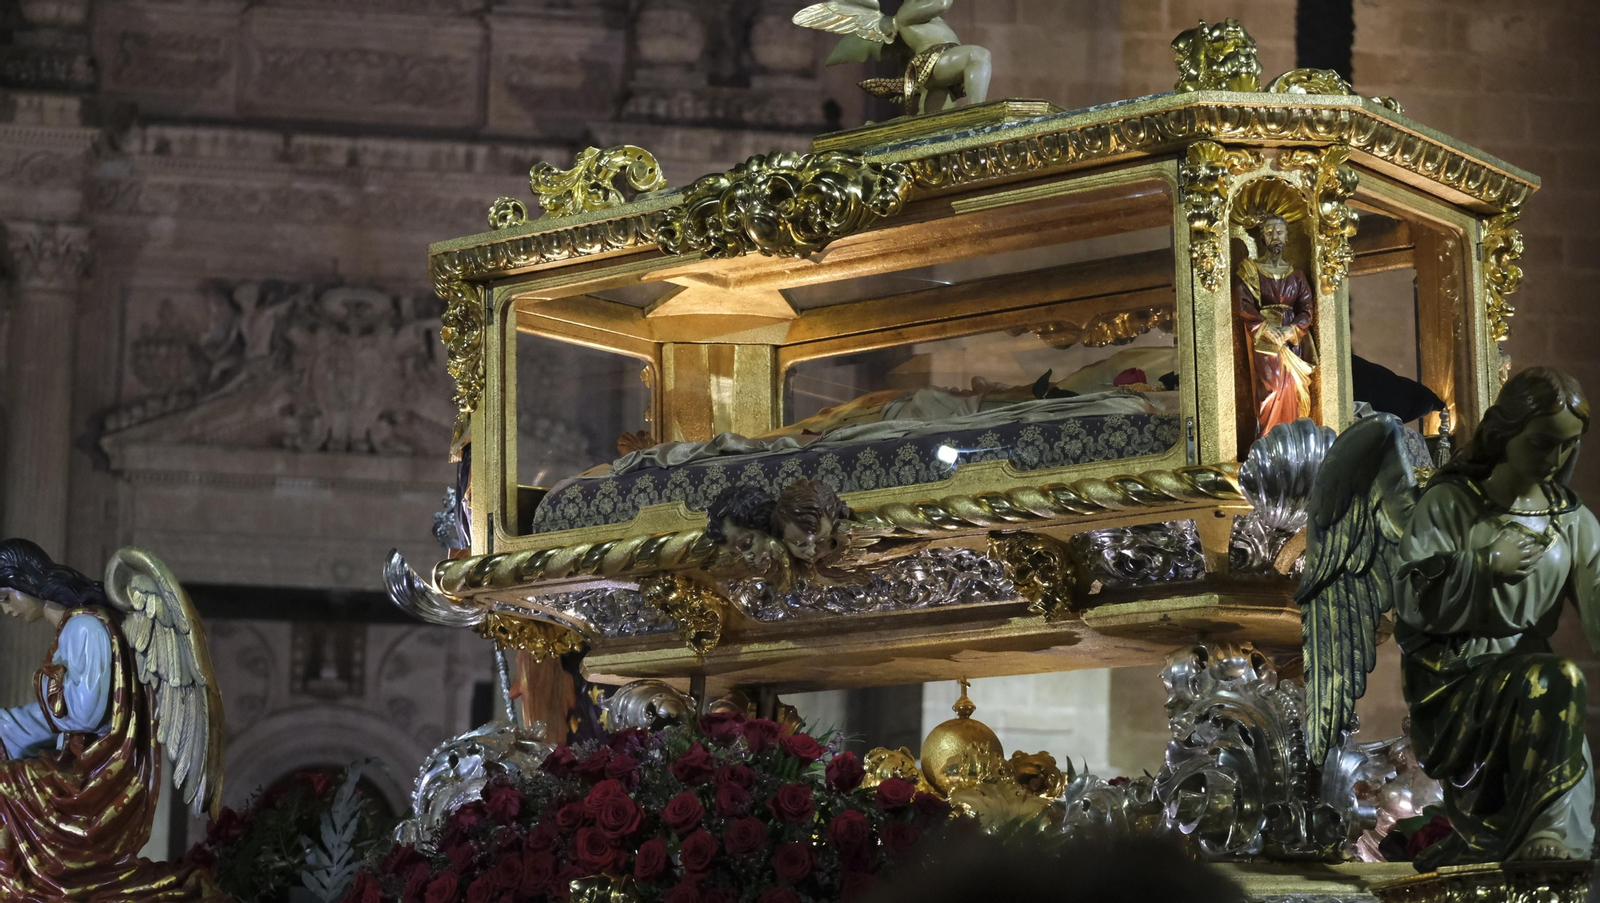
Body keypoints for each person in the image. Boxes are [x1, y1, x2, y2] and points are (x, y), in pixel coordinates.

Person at [1395, 367, 1600, 865]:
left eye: (1567, 447)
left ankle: (1547, 840)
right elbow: (1410, 597)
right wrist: (1485, 564)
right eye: (1542, 443)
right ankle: (1540, 835)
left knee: (1552, 689)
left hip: (1534, 681)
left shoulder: (1573, 520)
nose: (1554, 460)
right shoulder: (1451, 504)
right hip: (1457, 676)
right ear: (1506, 432)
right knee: (1557, 680)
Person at [0, 539, 227, 901]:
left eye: (6, 597)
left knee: (4, 790)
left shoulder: (84, 627)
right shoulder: (77, 627)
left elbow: (84, 713)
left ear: (28, 582)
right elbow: (63, 720)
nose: (6, 609)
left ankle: (25, 888)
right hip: (87, 767)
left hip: (98, 780)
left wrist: (44, 683)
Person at [1232, 214, 1317, 438]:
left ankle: (1292, 439)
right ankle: (1269, 441)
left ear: (1287, 237)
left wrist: (1292, 330)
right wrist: (1264, 327)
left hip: (1290, 341)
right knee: (1271, 389)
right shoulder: (1251, 270)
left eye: (1279, 232)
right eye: (1270, 233)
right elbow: (1242, 303)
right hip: (1266, 340)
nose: (1275, 237)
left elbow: (1307, 308)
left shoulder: (1297, 275)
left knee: (1292, 389)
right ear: (1263, 237)